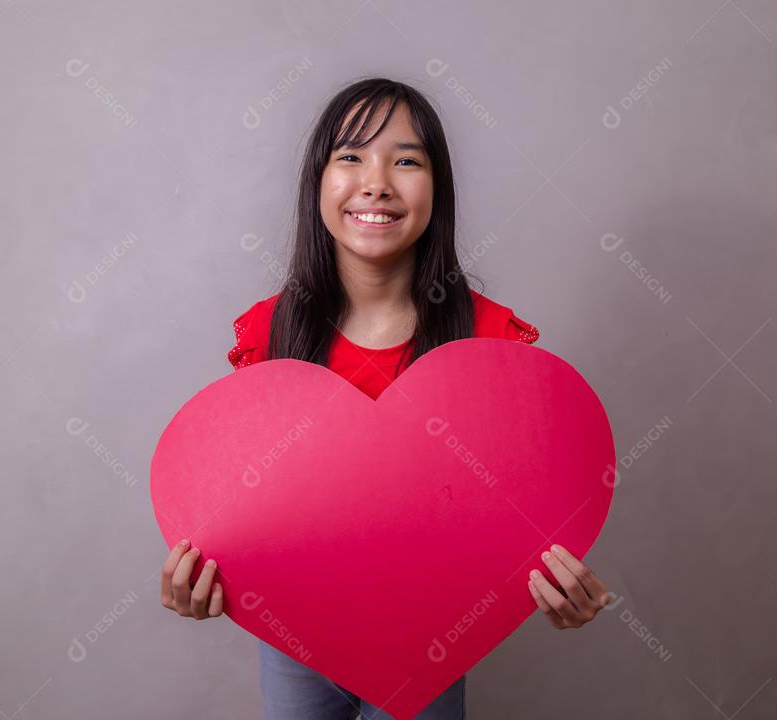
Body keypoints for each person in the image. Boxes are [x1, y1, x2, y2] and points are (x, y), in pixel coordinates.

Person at [160, 77, 613, 719]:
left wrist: (560, 585)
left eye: (406, 160)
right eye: (351, 157)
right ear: (317, 181)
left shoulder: (492, 343)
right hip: (295, 634)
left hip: (430, 639)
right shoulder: (268, 333)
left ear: (439, 188)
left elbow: (524, 513)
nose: (377, 182)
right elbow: (244, 507)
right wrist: (205, 576)